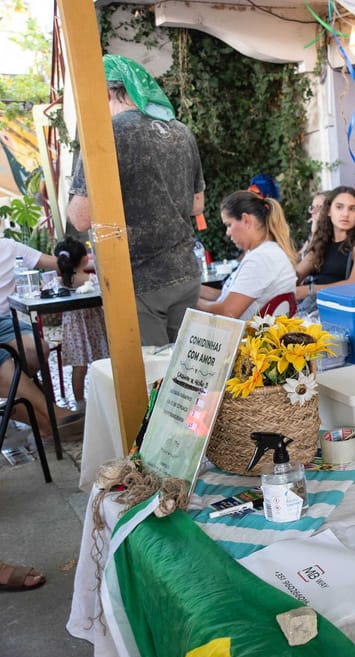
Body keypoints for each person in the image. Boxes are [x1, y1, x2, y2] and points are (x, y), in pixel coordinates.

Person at [66, 54, 205, 347]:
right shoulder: (182, 132)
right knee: (185, 375)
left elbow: (80, 217)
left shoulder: (106, 134)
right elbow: (197, 206)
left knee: (151, 377)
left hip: (138, 279)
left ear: (104, 92)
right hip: (185, 273)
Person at [0, 239, 85, 443]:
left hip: (5, 322)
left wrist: (88, 265)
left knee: (36, 349)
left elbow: (57, 263)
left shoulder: (8, 247)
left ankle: (41, 419)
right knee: (4, 362)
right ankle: (52, 417)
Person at [197, 190, 297, 320]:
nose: (227, 233)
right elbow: (228, 297)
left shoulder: (261, 259)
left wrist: (191, 302)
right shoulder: (266, 252)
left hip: (246, 337)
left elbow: (228, 311)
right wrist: (193, 291)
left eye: (229, 225)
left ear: (245, 220)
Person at [293, 186, 355, 310]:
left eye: (352, 209)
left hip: (343, 309)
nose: (345, 214)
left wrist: (309, 290)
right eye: (339, 207)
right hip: (314, 306)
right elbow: (298, 273)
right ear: (329, 211)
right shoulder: (322, 239)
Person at [54, 237, 109, 409]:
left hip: (73, 330)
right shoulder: (91, 280)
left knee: (79, 367)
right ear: (85, 259)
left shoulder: (58, 282)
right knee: (105, 361)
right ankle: (108, 395)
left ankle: (79, 402)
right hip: (96, 326)